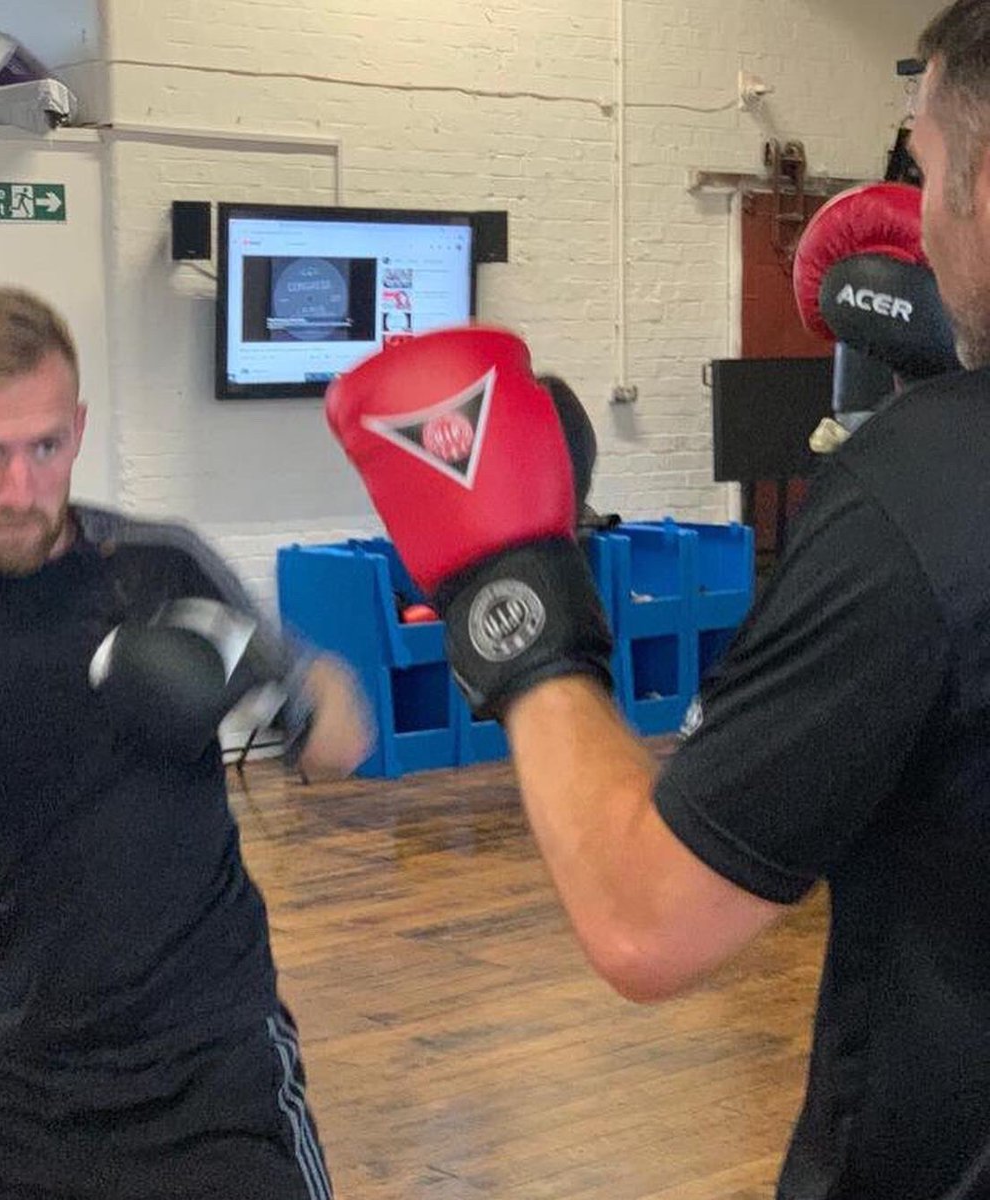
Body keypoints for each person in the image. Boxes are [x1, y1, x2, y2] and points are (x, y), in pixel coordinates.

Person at [326, 5, 990, 1192]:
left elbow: (648, 919)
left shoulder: (924, 496)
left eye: (928, 171)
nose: (922, 222)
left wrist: (505, 589)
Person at [0, 279, 371, 1200]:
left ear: (79, 426)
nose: (22, 488)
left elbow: (346, 742)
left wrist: (274, 678)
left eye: (47, 446)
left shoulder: (154, 566)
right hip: (26, 1071)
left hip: (215, 1058)